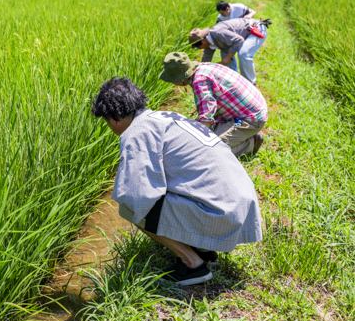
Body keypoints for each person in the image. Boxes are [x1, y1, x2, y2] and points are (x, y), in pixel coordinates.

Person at [92, 77, 262, 286]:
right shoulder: (165, 117)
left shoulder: (137, 132)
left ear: (113, 119)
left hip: (223, 213)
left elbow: (137, 195)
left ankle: (193, 264)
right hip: (241, 205)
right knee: (165, 190)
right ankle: (205, 249)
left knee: (130, 206)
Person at [159, 52, 266, 157]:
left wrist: (194, 143)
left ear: (181, 78)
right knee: (208, 137)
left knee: (209, 148)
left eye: (172, 79)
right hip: (250, 110)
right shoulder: (203, 67)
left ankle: (250, 144)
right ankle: (238, 136)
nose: (172, 82)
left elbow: (206, 119)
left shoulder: (199, 81)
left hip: (249, 119)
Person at [189, 17, 270, 85]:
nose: (201, 49)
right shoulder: (209, 44)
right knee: (225, 51)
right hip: (245, 34)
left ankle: (250, 84)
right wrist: (198, 73)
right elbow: (205, 61)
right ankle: (235, 82)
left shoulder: (218, 33)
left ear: (203, 40)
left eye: (199, 47)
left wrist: (228, 57)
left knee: (243, 54)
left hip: (256, 29)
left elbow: (239, 40)